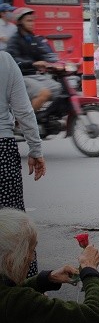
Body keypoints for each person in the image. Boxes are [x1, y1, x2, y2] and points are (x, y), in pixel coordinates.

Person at [0, 207, 99, 323]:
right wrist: (90, 269)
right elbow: (94, 318)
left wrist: (46, 279)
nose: (33, 258)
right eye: (31, 250)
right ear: (11, 259)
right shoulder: (16, 304)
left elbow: (10, 293)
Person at [0, 51, 46, 277]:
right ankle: (25, 289)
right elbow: (23, 110)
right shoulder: (5, 61)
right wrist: (35, 150)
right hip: (3, 151)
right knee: (12, 224)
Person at [6, 7, 63, 113]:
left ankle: (47, 118)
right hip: (20, 77)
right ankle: (23, 122)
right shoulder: (14, 40)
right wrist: (33, 64)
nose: (32, 23)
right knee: (44, 93)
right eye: (28, 21)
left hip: (34, 76)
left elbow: (43, 54)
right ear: (20, 23)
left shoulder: (33, 39)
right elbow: (14, 60)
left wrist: (56, 62)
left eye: (33, 20)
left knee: (59, 89)